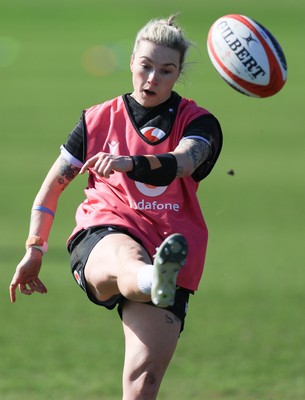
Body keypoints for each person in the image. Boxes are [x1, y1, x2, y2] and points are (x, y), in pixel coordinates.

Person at [9, 14, 222, 400]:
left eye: (165, 70)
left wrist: (128, 163)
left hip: (169, 242)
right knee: (126, 257)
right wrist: (34, 248)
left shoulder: (200, 122)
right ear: (131, 63)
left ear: (178, 75)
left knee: (144, 382)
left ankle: (156, 278)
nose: (152, 78)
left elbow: (185, 161)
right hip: (106, 229)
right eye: (145, 66)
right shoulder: (96, 120)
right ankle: (150, 279)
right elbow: (50, 190)